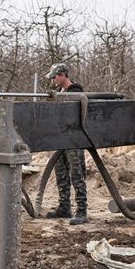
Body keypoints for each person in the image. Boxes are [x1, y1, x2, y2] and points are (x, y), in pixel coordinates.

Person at [44, 62, 89, 225]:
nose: (53, 80)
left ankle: (82, 211)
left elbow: (72, 114)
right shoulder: (58, 92)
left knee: (77, 175)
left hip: (73, 140)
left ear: (63, 75)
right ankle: (64, 207)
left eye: (54, 77)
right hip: (59, 139)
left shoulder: (75, 92)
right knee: (61, 175)